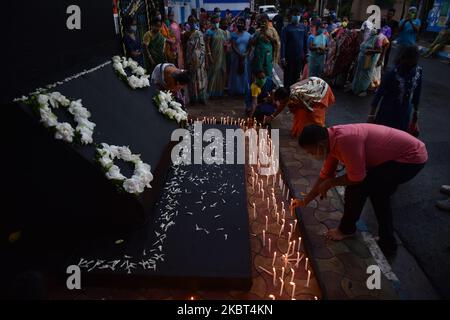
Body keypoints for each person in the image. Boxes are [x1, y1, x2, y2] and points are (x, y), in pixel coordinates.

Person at [293, 123, 428, 256]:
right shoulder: (331, 140)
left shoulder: (346, 141)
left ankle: (348, 230)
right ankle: (387, 242)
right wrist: (306, 200)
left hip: (410, 158)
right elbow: (325, 175)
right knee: (378, 194)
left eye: (310, 151)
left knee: (359, 190)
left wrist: (331, 183)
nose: (310, 155)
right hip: (396, 157)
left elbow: (357, 178)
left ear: (320, 145)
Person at [369, 45, 422, 133]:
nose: (410, 66)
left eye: (413, 63)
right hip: (387, 113)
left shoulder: (418, 72)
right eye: (408, 62)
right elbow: (379, 94)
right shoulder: (392, 73)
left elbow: (417, 93)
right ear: (402, 58)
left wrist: (415, 116)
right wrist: (371, 116)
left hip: (405, 115)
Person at [182, 16, 208, 105]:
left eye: (194, 21)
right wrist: (186, 60)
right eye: (191, 21)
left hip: (199, 60)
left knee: (201, 78)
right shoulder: (186, 34)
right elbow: (184, 48)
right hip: (190, 60)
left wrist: (201, 58)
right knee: (192, 80)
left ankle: (202, 98)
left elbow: (203, 47)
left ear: (196, 22)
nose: (192, 23)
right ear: (188, 23)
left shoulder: (199, 34)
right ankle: (193, 98)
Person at [281, 8, 308, 88]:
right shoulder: (286, 28)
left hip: (299, 58)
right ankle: (286, 95)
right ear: (291, 16)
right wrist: (282, 57)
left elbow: (305, 42)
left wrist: (306, 54)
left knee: (297, 78)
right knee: (288, 78)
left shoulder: (303, 27)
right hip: (289, 58)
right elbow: (283, 43)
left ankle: (295, 96)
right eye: (294, 15)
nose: (296, 16)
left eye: (298, 15)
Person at [351, 29, 381, 96]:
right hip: (362, 59)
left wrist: (370, 51)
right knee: (358, 73)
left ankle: (363, 90)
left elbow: (379, 50)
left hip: (369, 60)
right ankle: (355, 89)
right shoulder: (368, 37)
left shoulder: (377, 39)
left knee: (366, 74)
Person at [205, 15, 228, 98]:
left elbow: (226, 42)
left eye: (217, 22)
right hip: (213, 55)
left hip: (222, 55)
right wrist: (209, 56)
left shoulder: (222, 32)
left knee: (221, 73)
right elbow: (207, 45)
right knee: (213, 73)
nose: (216, 24)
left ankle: (219, 92)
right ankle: (211, 92)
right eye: (214, 22)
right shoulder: (209, 32)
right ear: (211, 22)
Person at [228, 17, 251, 96]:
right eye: (239, 23)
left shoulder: (248, 35)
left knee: (245, 73)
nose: (240, 24)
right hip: (236, 57)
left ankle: (244, 90)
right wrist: (240, 54)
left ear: (244, 24)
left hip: (245, 57)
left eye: (242, 23)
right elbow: (233, 46)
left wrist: (246, 54)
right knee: (236, 73)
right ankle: (235, 90)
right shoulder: (233, 35)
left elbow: (249, 47)